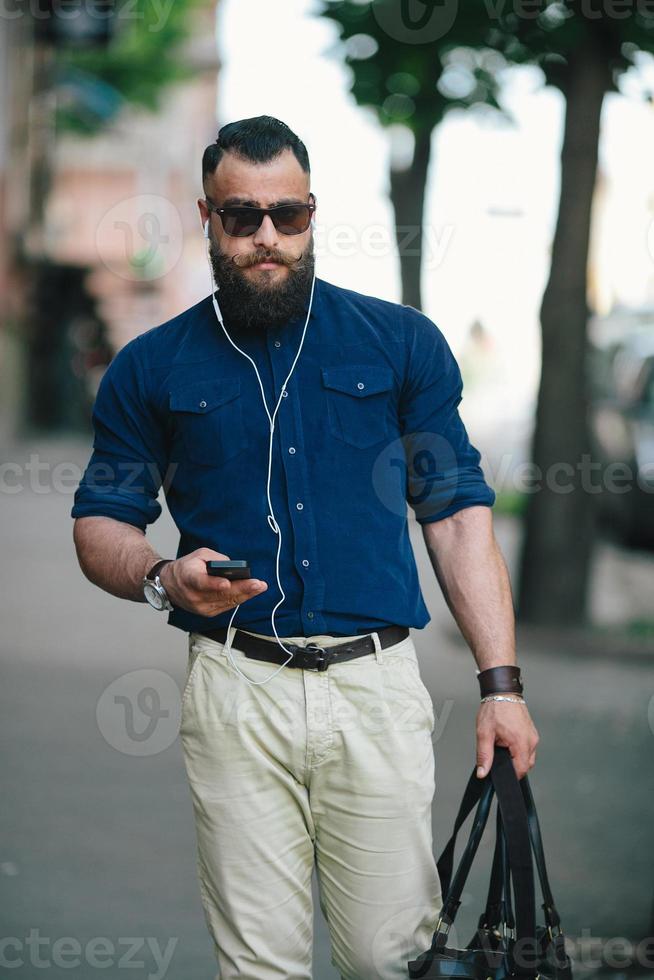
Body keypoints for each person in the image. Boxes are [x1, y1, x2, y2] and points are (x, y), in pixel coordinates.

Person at [71, 115, 539, 980]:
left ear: (314, 212)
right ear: (207, 217)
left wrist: (500, 687)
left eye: (288, 215)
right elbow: (101, 523)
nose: (267, 239)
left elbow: (458, 514)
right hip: (236, 687)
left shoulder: (400, 345)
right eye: (242, 218)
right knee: (260, 968)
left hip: (376, 688)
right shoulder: (150, 367)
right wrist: (159, 578)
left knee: (388, 961)